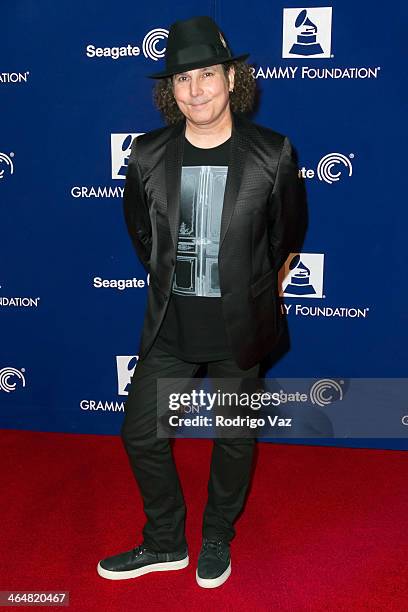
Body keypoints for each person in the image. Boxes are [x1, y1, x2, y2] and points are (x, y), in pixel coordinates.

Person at [97, 15, 305, 588]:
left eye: (207, 74)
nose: (196, 90)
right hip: (171, 327)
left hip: (241, 328)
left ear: (231, 80)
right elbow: (143, 235)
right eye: (183, 79)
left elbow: (288, 235)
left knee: (234, 440)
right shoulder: (146, 155)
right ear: (171, 91)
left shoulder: (271, 154)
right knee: (141, 433)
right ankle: (165, 542)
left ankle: (217, 534)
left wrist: (260, 286)